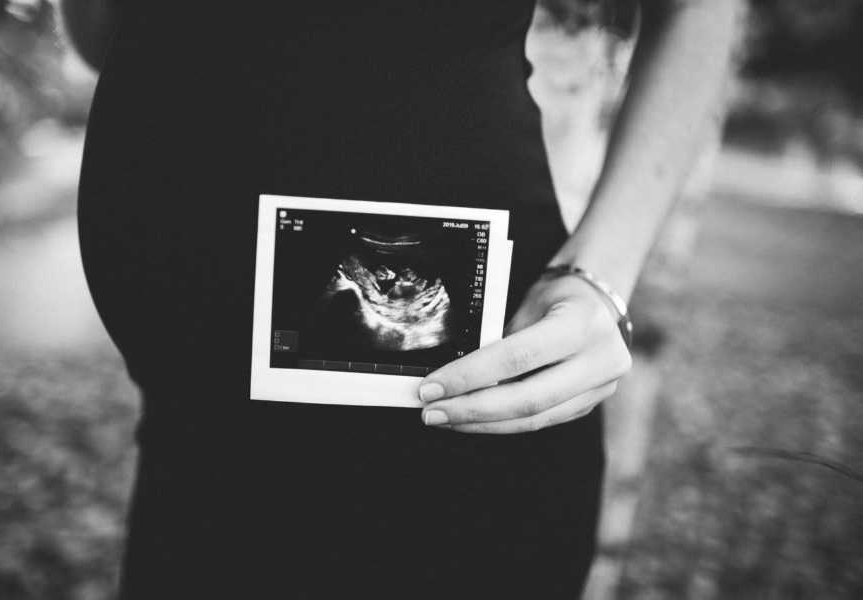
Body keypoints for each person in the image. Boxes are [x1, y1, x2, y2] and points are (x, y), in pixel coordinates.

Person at [62, 0, 737, 597]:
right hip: (194, 438)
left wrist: (602, 275)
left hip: (449, 456)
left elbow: (698, 9)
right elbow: (106, 35)